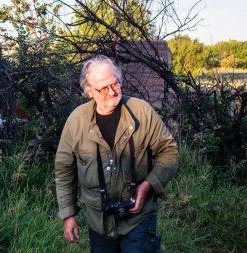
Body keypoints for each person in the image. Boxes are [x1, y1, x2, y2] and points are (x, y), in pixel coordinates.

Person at [54, 55, 178, 253]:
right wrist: (68, 215)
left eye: (115, 83)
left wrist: (147, 186)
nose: (112, 92)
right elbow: (64, 171)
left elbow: (169, 152)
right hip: (98, 221)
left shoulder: (142, 112)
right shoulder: (76, 121)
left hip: (139, 218)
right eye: (103, 88)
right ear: (89, 91)